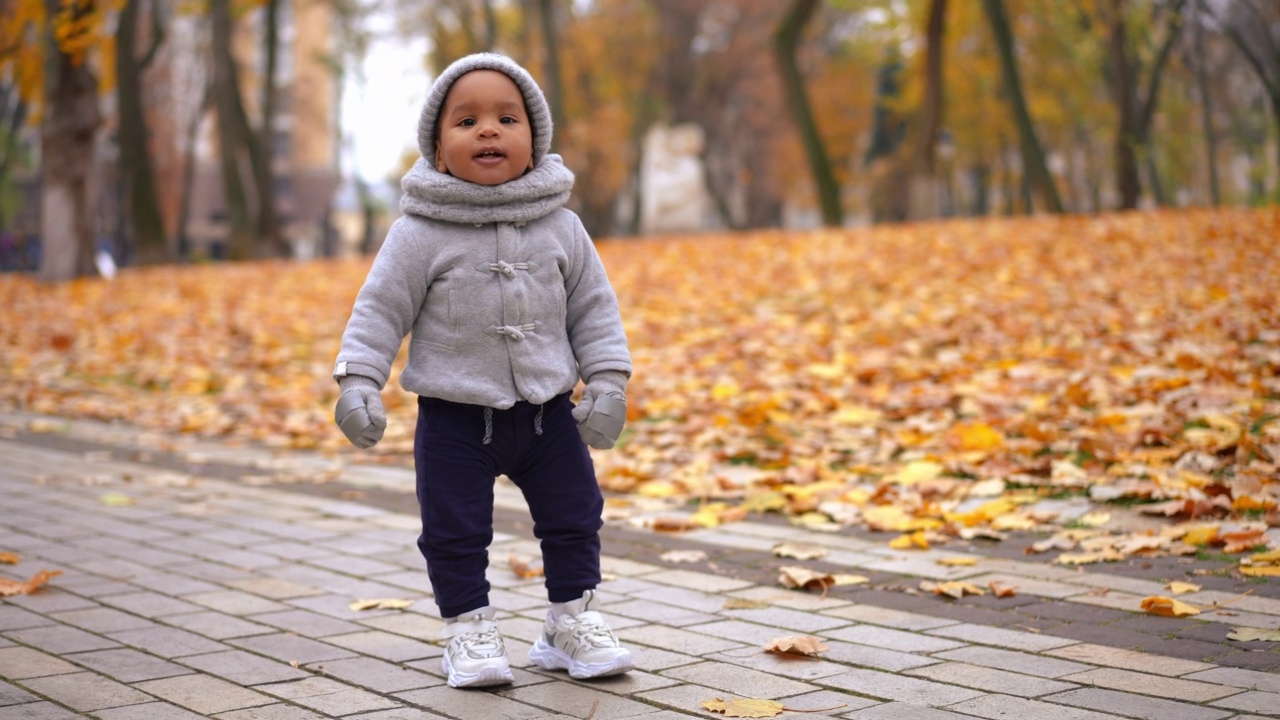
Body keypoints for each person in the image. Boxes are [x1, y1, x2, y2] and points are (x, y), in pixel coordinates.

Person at [331, 52, 634, 689]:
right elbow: (380, 309)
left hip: (549, 414)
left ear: (534, 142)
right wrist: (359, 379)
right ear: (439, 151)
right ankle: (467, 626)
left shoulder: (563, 227)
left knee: (576, 514)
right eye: (466, 121)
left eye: (507, 118)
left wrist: (607, 380)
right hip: (454, 419)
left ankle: (568, 622)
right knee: (454, 529)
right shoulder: (418, 233)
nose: (489, 130)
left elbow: (594, 309)